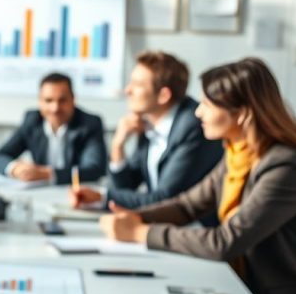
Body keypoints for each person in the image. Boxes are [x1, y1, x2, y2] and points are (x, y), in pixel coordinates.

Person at [98, 58, 296, 294]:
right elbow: (187, 206)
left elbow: (224, 242)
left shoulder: (284, 168)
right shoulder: (238, 156)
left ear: (241, 113)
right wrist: (131, 217)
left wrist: (139, 233)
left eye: (207, 103)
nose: (198, 111)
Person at [71, 51, 222, 210]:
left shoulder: (192, 126)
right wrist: (117, 146)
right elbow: (127, 187)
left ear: (163, 95)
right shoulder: (149, 122)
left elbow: (166, 198)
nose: (128, 90)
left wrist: (102, 197)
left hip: (197, 227)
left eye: (137, 85)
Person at [0, 73, 107, 184]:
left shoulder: (90, 124)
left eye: (62, 100)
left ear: (73, 100)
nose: (55, 108)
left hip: (76, 193)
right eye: (48, 100)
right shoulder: (32, 121)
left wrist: (47, 174)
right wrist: (16, 169)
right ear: (40, 101)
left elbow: (94, 169)